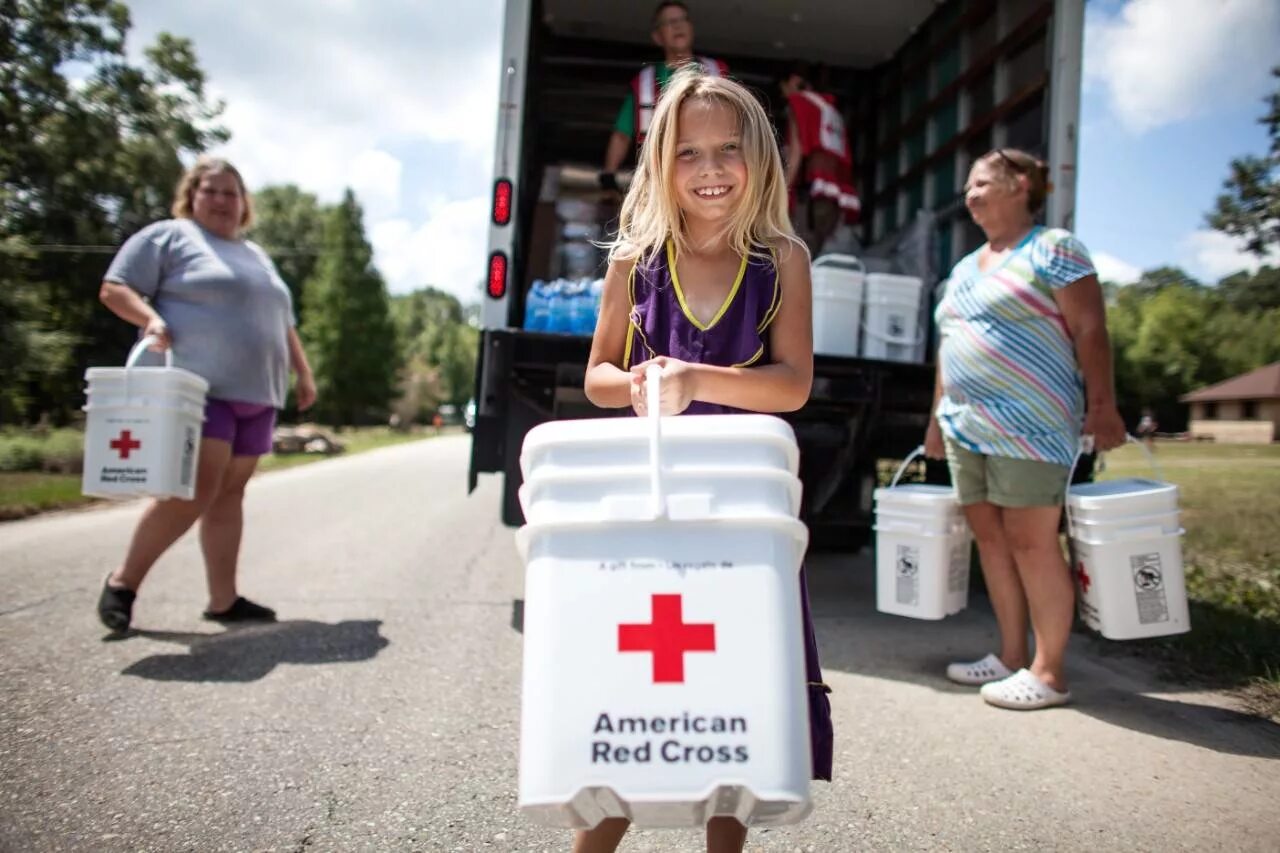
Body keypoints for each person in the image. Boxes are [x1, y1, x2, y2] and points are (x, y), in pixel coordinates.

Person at [583, 67, 830, 853]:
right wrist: (644, 386)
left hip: (745, 507)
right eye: (689, 153)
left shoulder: (783, 258)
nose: (712, 169)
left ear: (759, 156)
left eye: (729, 149)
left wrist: (700, 380)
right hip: (656, 498)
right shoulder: (635, 258)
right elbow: (596, 377)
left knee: (739, 696)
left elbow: (793, 386)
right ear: (661, 163)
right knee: (640, 690)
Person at [924, 148, 1126, 710]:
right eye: (969, 187)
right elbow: (950, 347)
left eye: (983, 182)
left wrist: (1102, 405)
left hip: (1032, 424)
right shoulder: (965, 268)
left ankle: (1050, 670)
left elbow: (1090, 328)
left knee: (1032, 542)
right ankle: (1012, 655)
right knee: (991, 541)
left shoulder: (1055, 248)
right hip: (966, 425)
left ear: (1020, 185)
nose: (971, 195)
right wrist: (935, 423)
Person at [95, 157, 316, 633]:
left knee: (229, 495)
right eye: (210, 191)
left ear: (244, 204)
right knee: (196, 490)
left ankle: (223, 600)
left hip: (259, 393)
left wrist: (303, 372)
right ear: (191, 196)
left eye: (230, 193)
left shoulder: (256, 256)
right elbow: (114, 288)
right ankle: (122, 583)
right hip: (199, 389)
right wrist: (150, 320)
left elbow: (284, 322)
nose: (221, 201)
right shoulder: (171, 237)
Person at [599, 1, 727, 189]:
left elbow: (744, 125)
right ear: (657, 37)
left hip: (712, 176)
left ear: (691, 27)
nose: (678, 25)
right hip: (663, 182)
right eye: (669, 22)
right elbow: (622, 135)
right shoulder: (644, 82)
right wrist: (609, 174)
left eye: (683, 19)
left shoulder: (718, 72)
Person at [779, 63, 860, 256]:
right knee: (817, 253)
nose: (784, 95)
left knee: (797, 251)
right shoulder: (831, 110)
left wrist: (781, 189)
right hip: (835, 195)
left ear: (793, 81)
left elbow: (796, 151)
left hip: (810, 194)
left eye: (783, 89)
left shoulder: (799, 104)